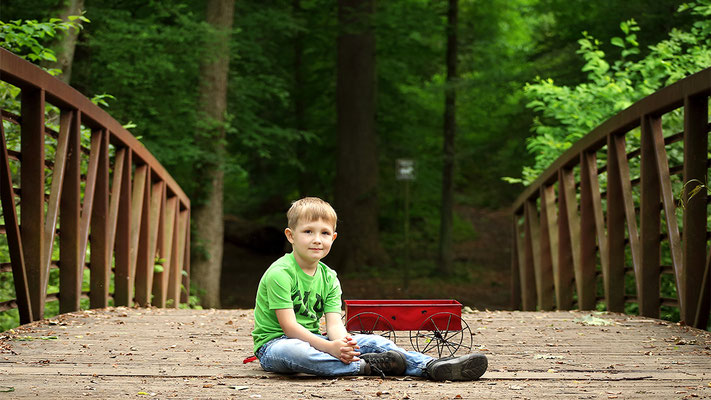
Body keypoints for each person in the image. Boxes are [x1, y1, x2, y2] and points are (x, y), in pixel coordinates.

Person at [251, 197, 487, 380]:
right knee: (296, 352)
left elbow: (334, 324)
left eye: (324, 233)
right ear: (291, 236)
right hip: (277, 345)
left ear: (333, 237)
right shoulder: (280, 273)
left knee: (376, 343)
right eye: (308, 232)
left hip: (319, 341)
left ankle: (430, 366)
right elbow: (290, 328)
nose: (317, 240)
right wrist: (330, 348)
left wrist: (344, 344)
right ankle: (366, 366)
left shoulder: (329, 277)